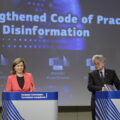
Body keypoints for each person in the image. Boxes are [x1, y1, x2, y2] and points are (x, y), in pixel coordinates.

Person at [87, 54, 120, 120]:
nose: (96, 66)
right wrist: (102, 89)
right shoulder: (92, 74)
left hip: (110, 103)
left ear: (103, 63)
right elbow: (90, 86)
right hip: (96, 103)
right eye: (94, 64)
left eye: (98, 64)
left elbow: (118, 85)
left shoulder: (111, 73)